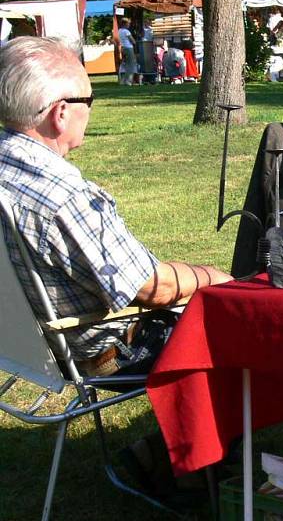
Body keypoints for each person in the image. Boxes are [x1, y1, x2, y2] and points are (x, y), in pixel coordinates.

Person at [0, 37, 232, 377]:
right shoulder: (64, 197)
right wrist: (212, 277)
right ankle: (210, 428)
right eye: (89, 100)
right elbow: (155, 288)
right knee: (242, 320)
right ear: (60, 113)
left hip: (29, 348)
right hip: (109, 353)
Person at [116, 17, 137, 86]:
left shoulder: (119, 31)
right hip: (129, 48)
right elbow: (132, 41)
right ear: (125, 24)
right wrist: (135, 42)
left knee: (124, 65)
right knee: (131, 65)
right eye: (128, 23)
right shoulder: (126, 31)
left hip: (123, 48)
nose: (129, 25)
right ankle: (128, 81)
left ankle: (122, 81)